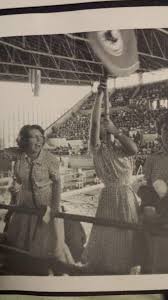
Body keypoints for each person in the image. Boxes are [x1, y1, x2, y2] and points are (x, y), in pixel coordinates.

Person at [82, 79, 140, 275]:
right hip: (109, 196)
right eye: (104, 130)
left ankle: (124, 270)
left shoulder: (123, 150)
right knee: (109, 235)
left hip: (127, 196)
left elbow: (134, 149)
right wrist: (99, 96)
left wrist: (114, 129)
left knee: (128, 235)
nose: (105, 131)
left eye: (109, 129)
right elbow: (94, 123)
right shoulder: (97, 150)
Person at [4, 125, 75, 275]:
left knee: (49, 246)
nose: (38, 141)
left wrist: (54, 209)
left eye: (40, 137)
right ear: (23, 140)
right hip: (25, 206)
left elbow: (57, 183)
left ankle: (53, 272)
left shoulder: (50, 159)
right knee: (25, 243)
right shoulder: (19, 158)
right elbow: (8, 157)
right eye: (33, 137)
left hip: (46, 207)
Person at [143, 112, 168, 273]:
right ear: (160, 133)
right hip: (160, 228)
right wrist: (147, 208)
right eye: (166, 129)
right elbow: (146, 192)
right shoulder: (152, 160)